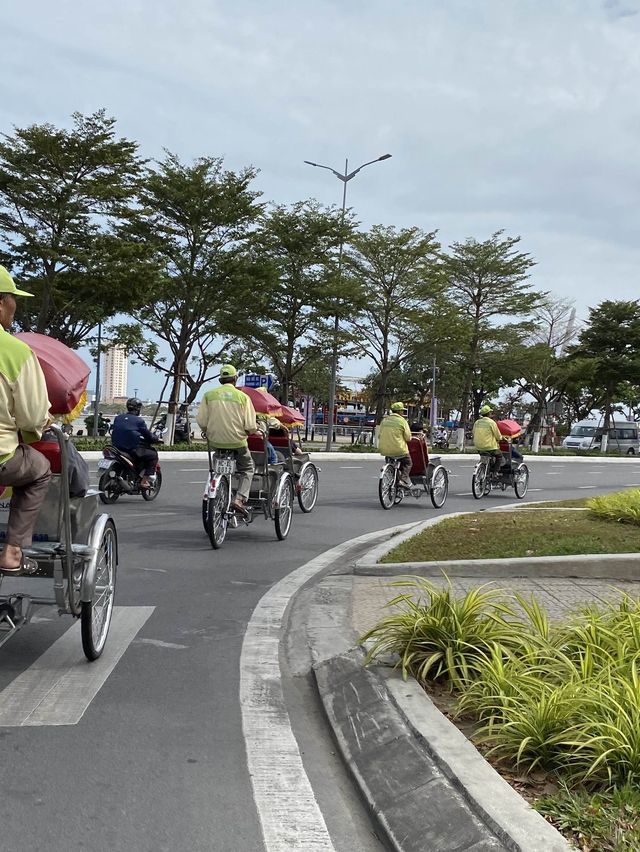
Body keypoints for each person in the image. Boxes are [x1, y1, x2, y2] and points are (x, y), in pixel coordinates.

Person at [0, 266, 52, 574]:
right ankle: (13, 551)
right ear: (1, 302)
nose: (15, 306)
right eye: (13, 299)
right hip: (3, 456)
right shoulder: (16, 351)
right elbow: (33, 418)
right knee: (40, 469)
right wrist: (36, 429)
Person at [196, 364, 258, 513]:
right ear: (235, 379)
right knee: (248, 468)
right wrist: (250, 431)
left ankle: (218, 487)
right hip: (238, 442)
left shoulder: (209, 395)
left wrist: (207, 431)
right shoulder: (243, 397)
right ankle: (239, 499)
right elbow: (250, 425)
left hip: (215, 442)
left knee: (216, 469)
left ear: (220, 380)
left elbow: (202, 421)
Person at [111, 397, 160, 489]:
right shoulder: (139, 421)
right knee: (153, 455)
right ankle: (144, 481)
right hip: (131, 449)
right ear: (138, 409)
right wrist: (156, 439)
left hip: (116, 447)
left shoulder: (118, 418)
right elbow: (148, 435)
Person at [378, 401, 413, 489]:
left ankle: (394, 479)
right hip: (399, 450)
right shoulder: (402, 421)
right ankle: (402, 480)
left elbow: (379, 435)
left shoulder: (384, 420)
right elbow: (408, 438)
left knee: (392, 464)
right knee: (408, 463)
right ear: (400, 412)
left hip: (385, 450)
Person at [472, 404, 505, 475]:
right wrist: (502, 438)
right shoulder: (491, 422)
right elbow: (498, 436)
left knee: (486, 456)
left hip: (478, 447)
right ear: (489, 414)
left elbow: (473, 432)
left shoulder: (477, 422)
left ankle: (485, 469)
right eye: (490, 413)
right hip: (490, 447)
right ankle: (495, 472)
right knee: (499, 456)